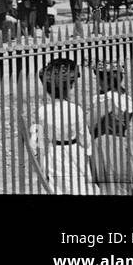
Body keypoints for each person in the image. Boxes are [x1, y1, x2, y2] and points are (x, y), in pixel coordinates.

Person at [28, 57, 94, 194]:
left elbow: (38, 139)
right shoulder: (76, 109)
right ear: (69, 87)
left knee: (57, 187)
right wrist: (88, 153)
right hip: (75, 152)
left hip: (54, 153)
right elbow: (85, 137)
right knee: (78, 187)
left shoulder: (42, 111)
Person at [87, 60, 133, 195]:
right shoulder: (125, 97)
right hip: (121, 142)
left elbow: (89, 124)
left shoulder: (106, 100)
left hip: (104, 145)